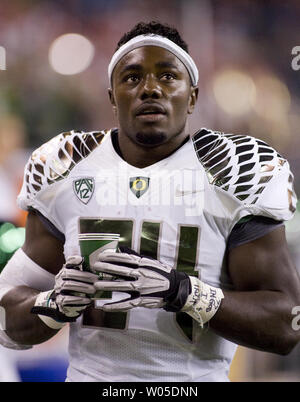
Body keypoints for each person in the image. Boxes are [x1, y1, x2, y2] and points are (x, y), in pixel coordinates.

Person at [0, 21, 299, 382]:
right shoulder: (67, 168)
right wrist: (51, 304)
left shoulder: (233, 170)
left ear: (192, 96)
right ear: (112, 96)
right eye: (132, 77)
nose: (150, 89)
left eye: (168, 76)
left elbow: (287, 325)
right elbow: (6, 319)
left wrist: (184, 291)